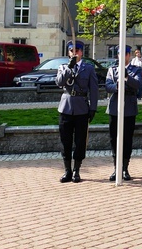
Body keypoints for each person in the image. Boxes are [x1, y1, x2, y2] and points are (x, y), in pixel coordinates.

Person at [55, 40, 99, 183]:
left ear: (81, 52)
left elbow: (94, 89)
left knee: (80, 141)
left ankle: (77, 170)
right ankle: (67, 170)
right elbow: (59, 82)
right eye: (71, 51)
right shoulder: (63, 67)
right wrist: (69, 68)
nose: (74, 53)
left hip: (81, 108)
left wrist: (93, 108)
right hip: (66, 106)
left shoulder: (89, 68)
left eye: (77, 51)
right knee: (65, 140)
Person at [105, 45, 142, 181]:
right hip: (115, 107)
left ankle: (125, 168)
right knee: (114, 139)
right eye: (120, 54)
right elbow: (108, 85)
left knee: (127, 139)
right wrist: (117, 86)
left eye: (125, 54)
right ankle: (116, 168)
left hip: (129, 107)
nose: (122, 57)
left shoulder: (135, 69)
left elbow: (138, 85)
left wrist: (126, 77)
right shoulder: (112, 69)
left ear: (129, 55)